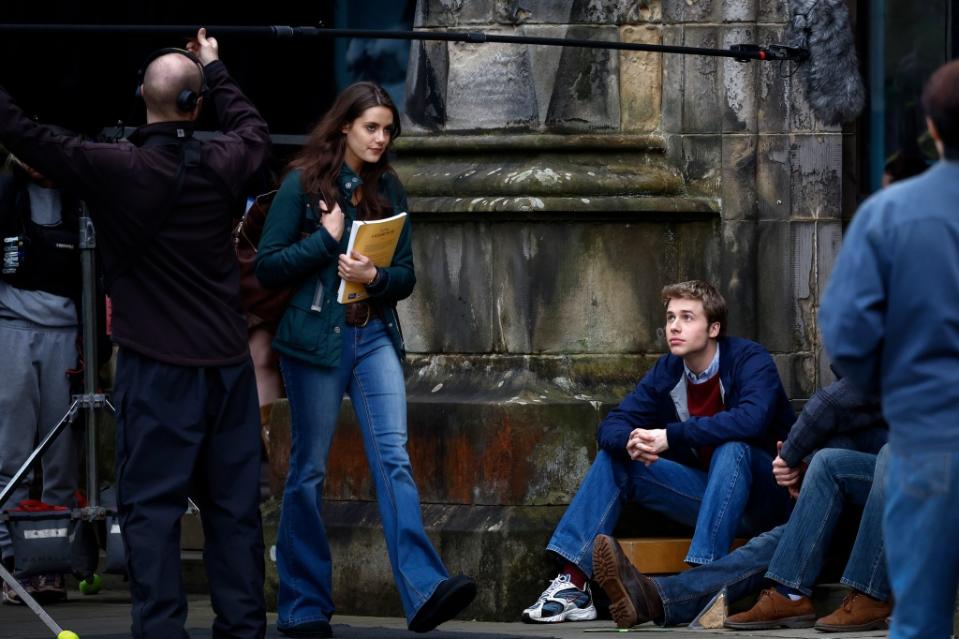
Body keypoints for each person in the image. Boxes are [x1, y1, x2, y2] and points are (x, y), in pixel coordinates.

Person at [0, 29, 270, 639]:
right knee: (235, 515)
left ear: (140, 98)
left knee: (150, 516)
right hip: (226, 368)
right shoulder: (227, 158)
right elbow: (254, 129)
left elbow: (28, 135)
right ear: (196, 107)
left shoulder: (118, 166)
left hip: (158, 370)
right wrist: (217, 67)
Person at [255, 81, 476, 638]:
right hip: (316, 342)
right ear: (344, 127)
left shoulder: (390, 188)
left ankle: (424, 590)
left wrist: (374, 277)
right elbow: (267, 266)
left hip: (373, 333)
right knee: (308, 470)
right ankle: (304, 604)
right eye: (371, 127)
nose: (381, 138)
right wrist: (326, 243)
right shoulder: (302, 185)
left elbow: (405, 276)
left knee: (394, 459)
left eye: (387, 129)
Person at [522, 280, 795, 623]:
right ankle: (573, 584)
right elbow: (613, 423)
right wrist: (630, 441)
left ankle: (700, 580)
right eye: (669, 318)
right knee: (618, 458)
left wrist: (670, 436)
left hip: (767, 500)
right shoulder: (668, 370)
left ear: (714, 328)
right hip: (711, 497)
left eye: (686, 317)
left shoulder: (749, 359)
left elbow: (750, 420)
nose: (675, 327)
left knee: (733, 447)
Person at [819, 58, 959, 639]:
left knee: (919, 618)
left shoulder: (890, 213)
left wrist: (897, 388)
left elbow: (847, 334)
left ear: (931, 128)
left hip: (927, 437)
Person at [590, 378, 890, 632]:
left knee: (893, 456)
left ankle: (867, 594)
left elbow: (832, 403)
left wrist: (793, 455)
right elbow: (855, 433)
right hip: (862, 502)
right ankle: (659, 596)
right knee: (780, 535)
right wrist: (806, 465)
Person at [0, 154, 82, 605]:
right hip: (10, 328)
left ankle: (50, 565)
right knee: (9, 454)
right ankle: (9, 562)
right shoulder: (5, 192)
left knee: (61, 460)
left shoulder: (81, 197)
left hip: (67, 335)